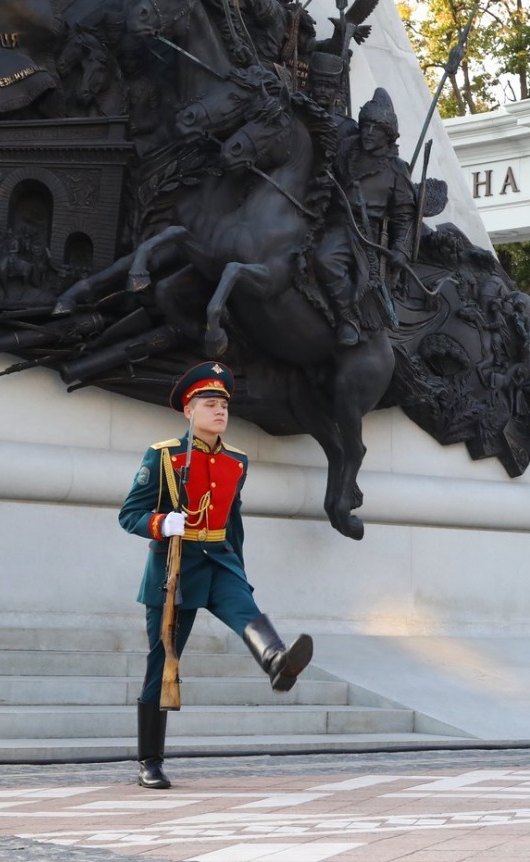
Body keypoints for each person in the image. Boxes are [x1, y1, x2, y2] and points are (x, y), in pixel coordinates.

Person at [118, 362, 314, 789]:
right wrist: (161, 524)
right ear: (189, 410)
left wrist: (240, 570)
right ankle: (149, 761)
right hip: (175, 568)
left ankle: (278, 662)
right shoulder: (165, 455)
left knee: (247, 611)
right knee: (163, 664)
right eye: (210, 404)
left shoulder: (237, 461)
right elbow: (129, 514)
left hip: (220, 560)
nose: (219, 411)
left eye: (223, 404)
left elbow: (234, 520)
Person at [316, 87, 418, 347]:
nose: (369, 133)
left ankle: (352, 320)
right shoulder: (347, 150)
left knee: (345, 272)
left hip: (367, 234)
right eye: (366, 126)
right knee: (318, 256)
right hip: (336, 221)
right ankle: (340, 316)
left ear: (388, 135)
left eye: (377, 129)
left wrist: (401, 250)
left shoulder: (396, 169)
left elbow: (404, 215)